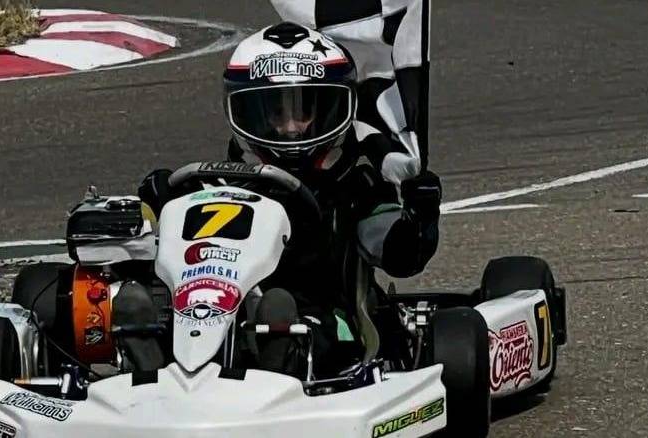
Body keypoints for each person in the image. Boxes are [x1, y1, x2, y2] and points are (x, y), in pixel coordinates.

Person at [138, 22, 442, 377]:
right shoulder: (214, 186)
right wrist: (160, 205)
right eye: (277, 114)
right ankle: (147, 358)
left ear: (332, 109)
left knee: (279, 310)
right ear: (246, 113)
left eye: (303, 112)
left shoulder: (355, 186)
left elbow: (397, 255)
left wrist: (419, 217)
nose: (291, 128)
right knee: (138, 300)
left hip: (329, 323)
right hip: (222, 313)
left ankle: (278, 366)